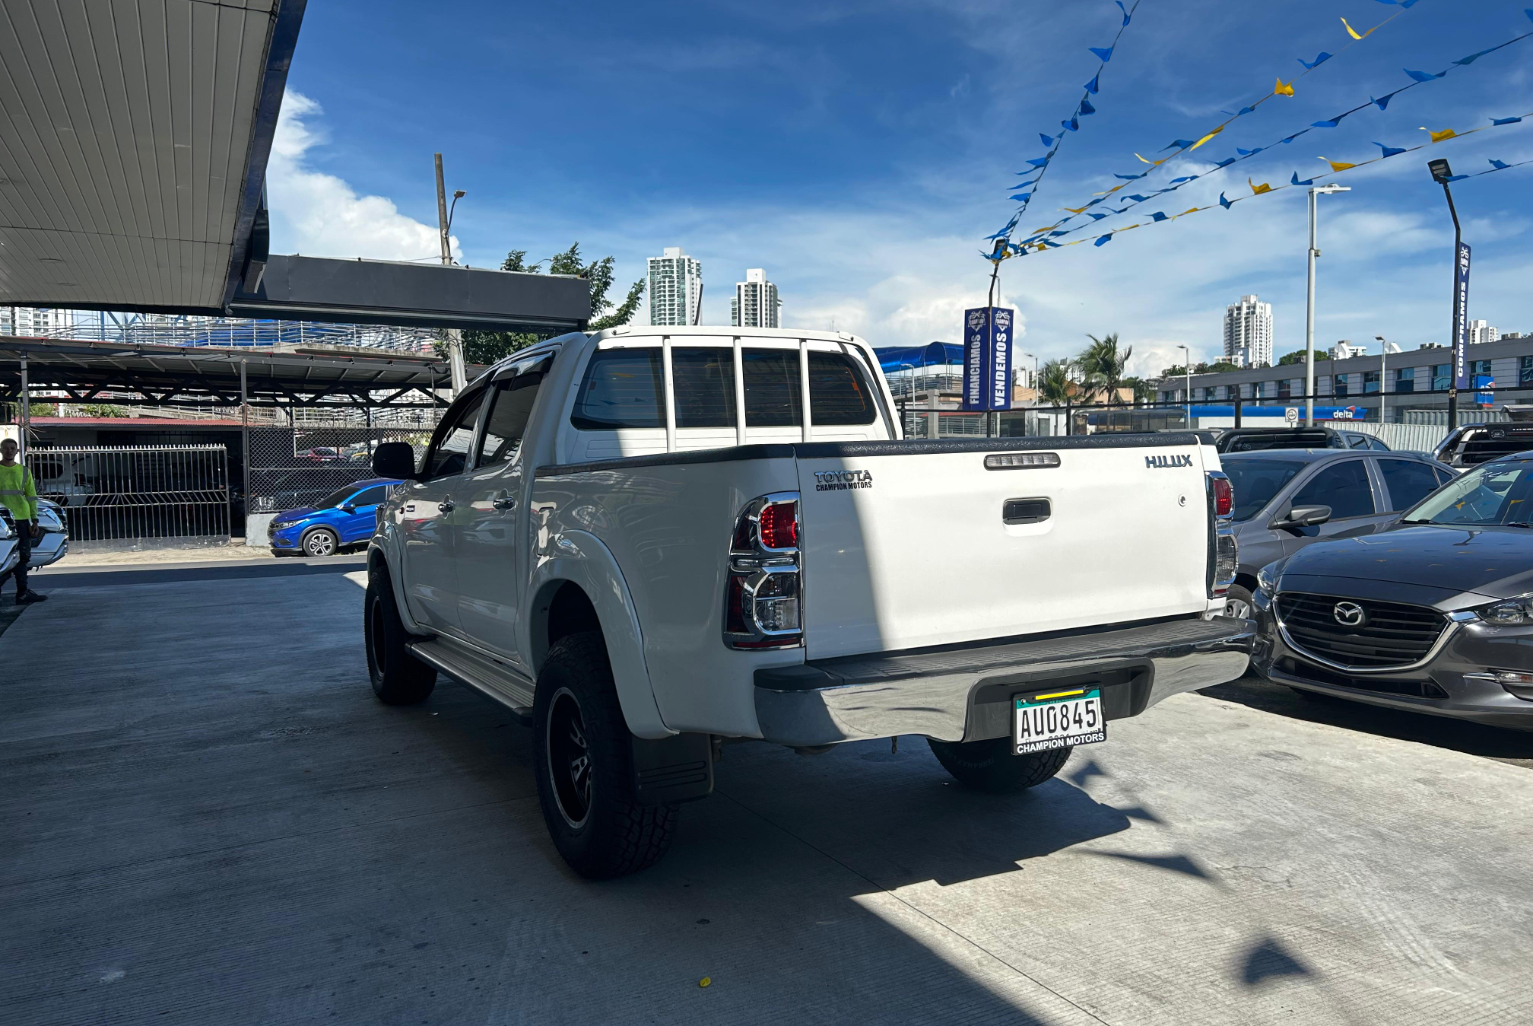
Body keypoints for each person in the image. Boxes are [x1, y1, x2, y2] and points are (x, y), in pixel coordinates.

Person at [0, 436, 46, 604]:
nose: (9, 451)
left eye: (13, 448)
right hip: (2, 521)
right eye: (6, 448)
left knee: (22, 557)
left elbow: (32, 497)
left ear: (17, 451)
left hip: (21, 519)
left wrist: (34, 520)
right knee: (4, 557)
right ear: (1, 450)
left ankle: (22, 593)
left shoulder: (24, 471)